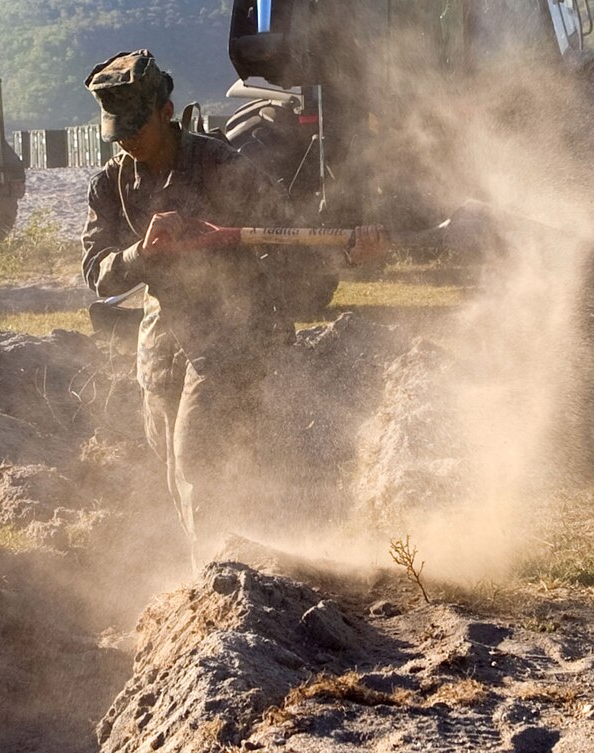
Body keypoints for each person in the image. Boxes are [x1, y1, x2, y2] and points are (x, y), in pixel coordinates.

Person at [81, 49, 385, 560]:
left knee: (196, 461)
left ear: (165, 111)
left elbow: (288, 233)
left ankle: (219, 585)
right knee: (175, 473)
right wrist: (141, 253)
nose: (129, 141)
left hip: (231, 334)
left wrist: (351, 250)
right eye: (119, 131)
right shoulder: (110, 185)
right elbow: (97, 271)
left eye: (138, 126)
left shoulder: (220, 165)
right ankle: (239, 570)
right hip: (162, 345)